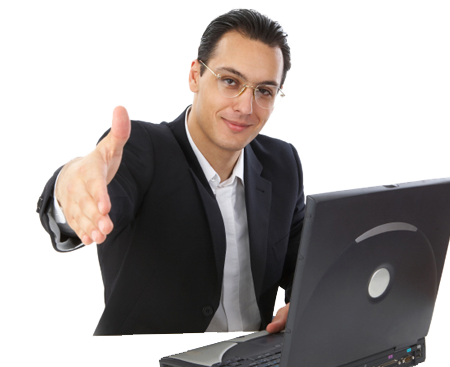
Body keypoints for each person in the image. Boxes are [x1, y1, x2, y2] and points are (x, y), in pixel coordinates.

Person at [36, 8, 305, 335]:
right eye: (230, 81)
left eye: (263, 90)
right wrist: (69, 187)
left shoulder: (282, 162)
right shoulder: (140, 148)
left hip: (254, 360)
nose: (245, 107)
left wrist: (304, 305)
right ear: (195, 76)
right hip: (149, 364)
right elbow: (99, 186)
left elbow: (305, 260)